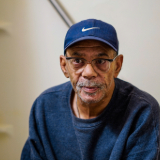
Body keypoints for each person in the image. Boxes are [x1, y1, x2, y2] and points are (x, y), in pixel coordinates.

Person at [21, 19, 160, 160]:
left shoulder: (142, 112)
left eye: (101, 61)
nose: (88, 72)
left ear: (117, 66)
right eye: (77, 60)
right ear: (64, 66)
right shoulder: (44, 107)